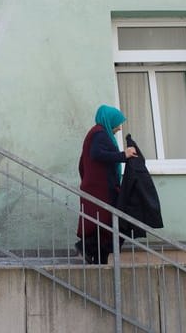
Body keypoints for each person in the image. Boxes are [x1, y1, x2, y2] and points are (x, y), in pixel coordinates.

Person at [75, 105, 137, 264]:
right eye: (118, 123)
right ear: (110, 120)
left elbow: (82, 163)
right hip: (101, 189)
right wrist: (124, 155)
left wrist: (87, 180)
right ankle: (86, 248)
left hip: (97, 186)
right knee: (106, 223)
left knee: (103, 225)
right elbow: (97, 154)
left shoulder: (96, 133)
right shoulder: (99, 133)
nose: (119, 127)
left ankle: (99, 260)